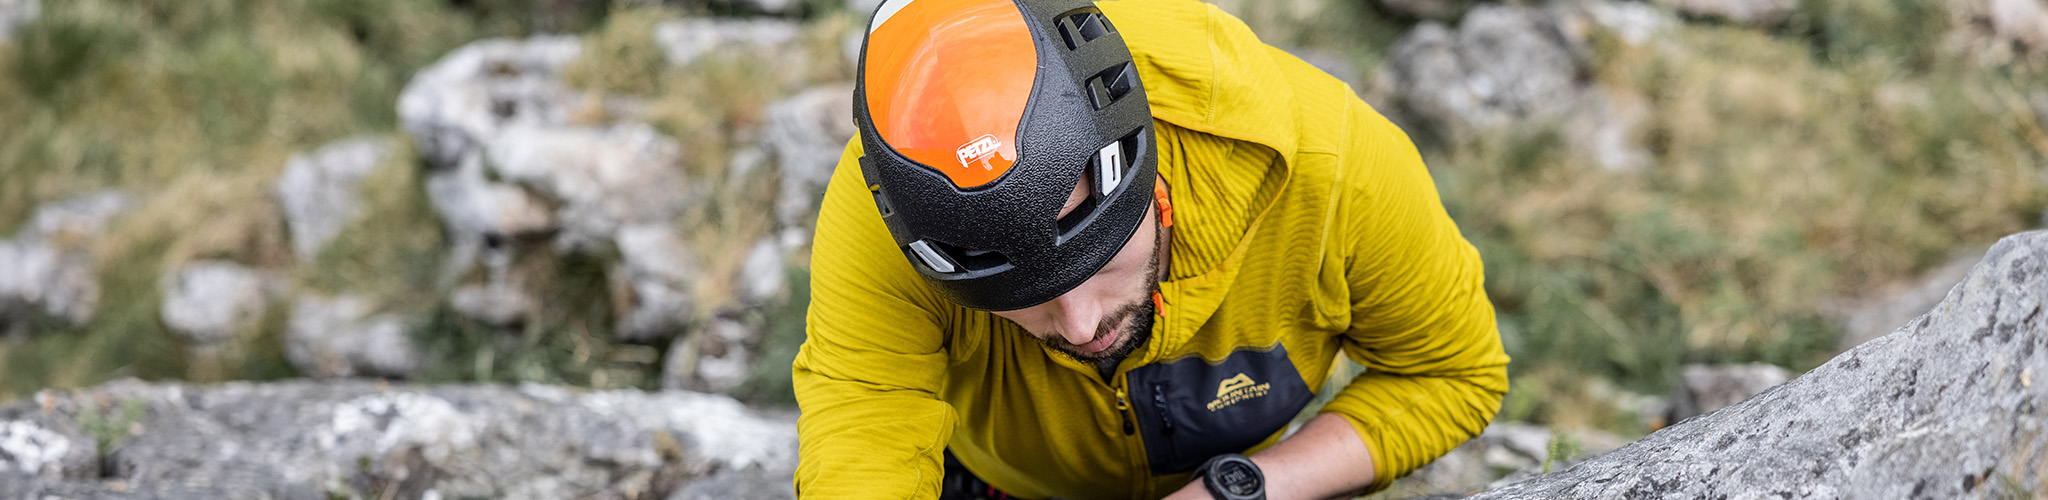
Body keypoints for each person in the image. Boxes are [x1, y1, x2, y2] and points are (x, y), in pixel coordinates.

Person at [793, 0, 1509, 498]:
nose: (1079, 326)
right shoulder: (895, 214)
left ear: (1151, 176)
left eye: (1102, 259)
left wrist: (1246, 490)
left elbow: (1451, 374)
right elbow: (867, 419)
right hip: (1004, 479)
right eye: (1017, 296)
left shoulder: (1336, 164)